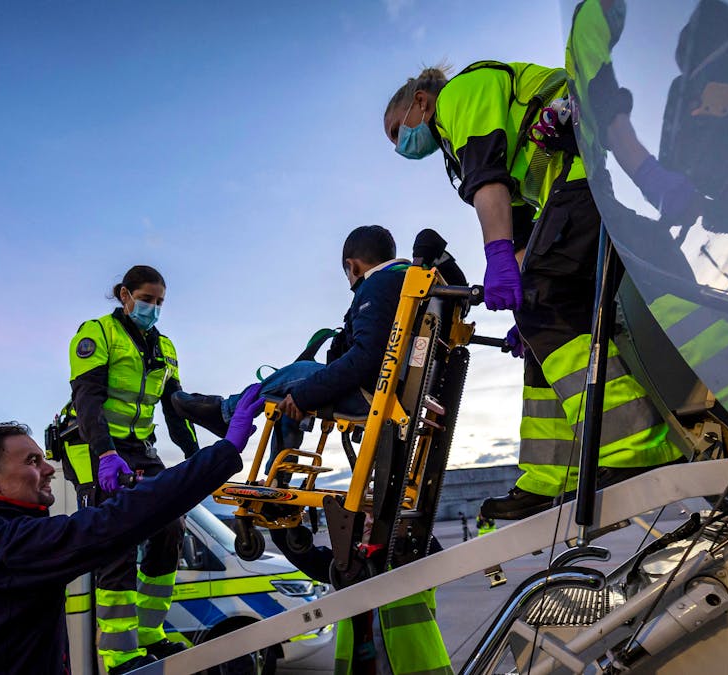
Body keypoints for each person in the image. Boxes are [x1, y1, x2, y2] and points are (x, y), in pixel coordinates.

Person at [383, 59, 684, 521]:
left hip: (584, 177)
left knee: (547, 306)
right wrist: (523, 305)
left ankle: (633, 449)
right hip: (583, 185)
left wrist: (499, 259)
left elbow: (489, 182)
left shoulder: (460, 95)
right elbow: (523, 226)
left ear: (420, 102)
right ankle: (554, 474)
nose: (400, 145)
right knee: (541, 322)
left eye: (395, 131)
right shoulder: (456, 124)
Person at [0, 399, 262, 674]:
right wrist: (226, 451)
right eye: (32, 461)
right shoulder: (4, 546)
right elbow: (113, 524)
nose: (49, 469)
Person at [63, 265, 203, 673]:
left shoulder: (165, 347)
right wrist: (106, 454)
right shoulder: (98, 333)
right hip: (92, 444)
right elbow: (87, 400)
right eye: (146, 299)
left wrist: (196, 456)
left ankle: (149, 632)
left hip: (139, 447)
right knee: (117, 539)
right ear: (125, 295)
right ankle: (120, 655)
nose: (153, 309)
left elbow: (175, 408)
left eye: (160, 302)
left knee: (170, 526)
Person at [171, 225, 408, 454]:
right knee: (292, 391)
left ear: (352, 266)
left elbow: (367, 355)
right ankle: (279, 471)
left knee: (296, 374)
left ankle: (226, 413)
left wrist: (304, 394)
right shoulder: (405, 283)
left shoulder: (377, 284)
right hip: (387, 389)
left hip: (371, 394)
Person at [269, 527, 451, 674]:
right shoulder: (348, 567)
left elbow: (437, 559)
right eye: (364, 513)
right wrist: (280, 523)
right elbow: (306, 556)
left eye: (376, 512)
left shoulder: (409, 558)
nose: (370, 520)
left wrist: (403, 525)